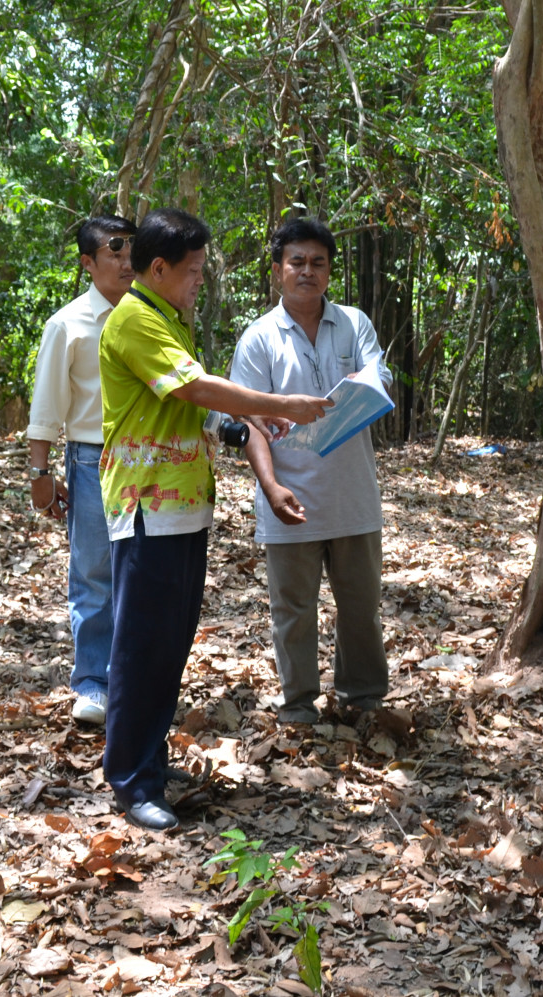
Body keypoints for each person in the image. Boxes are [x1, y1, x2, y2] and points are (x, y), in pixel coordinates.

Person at [99, 207, 332, 831]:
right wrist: (282, 402)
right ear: (158, 268)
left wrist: (238, 427)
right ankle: (129, 778)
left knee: (169, 644)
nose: (201, 280)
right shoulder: (134, 320)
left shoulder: (168, 321)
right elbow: (194, 388)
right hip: (148, 505)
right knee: (142, 647)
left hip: (183, 506)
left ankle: (148, 756)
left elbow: (189, 406)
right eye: (194, 270)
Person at [230, 216, 393, 726]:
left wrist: (358, 391)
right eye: (296, 261)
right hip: (289, 496)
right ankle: (299, 705)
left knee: (361, 607)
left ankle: (362, 698)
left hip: (353, 496)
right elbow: (250, 422)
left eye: (317, 262)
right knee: (294, 612)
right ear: (278, 269)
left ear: (329, 270)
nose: (307, 271)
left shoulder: (353, 323)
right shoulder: (259, 339)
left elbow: (376, 379)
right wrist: (271, 485)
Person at [26, 214, 137, 727]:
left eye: (131, 250)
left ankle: (132, 678)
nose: (125, 261)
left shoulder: (149, 317)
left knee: (137, 571)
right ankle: (93, 682)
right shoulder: (67, 324)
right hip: (92, 458)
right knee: (93, 573)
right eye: (113, 252)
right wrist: (40, 472)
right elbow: (48, 402)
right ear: (88, 262)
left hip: (145, 457)